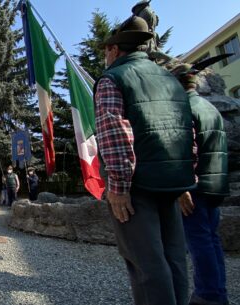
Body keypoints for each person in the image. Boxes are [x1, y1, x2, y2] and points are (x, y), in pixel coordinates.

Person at [94, 16, 195, 305]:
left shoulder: (113, 77)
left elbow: (115, 131)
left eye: (106, 51)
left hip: (137, 185)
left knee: (146, 265)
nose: (105, 56)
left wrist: (119, 185)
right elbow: (186, 129)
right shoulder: (171, 79)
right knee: (174, 258)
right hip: (173, 181)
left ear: (114, 49)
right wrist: (186, 179)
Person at [171, 62, 230, 305]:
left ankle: (208, 295)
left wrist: (183, 186)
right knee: (212, 240)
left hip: (196, 186)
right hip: (216, 183)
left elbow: (189, 150)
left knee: (199, 241)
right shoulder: (210, 107)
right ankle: (218, 291)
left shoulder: (185, 108)